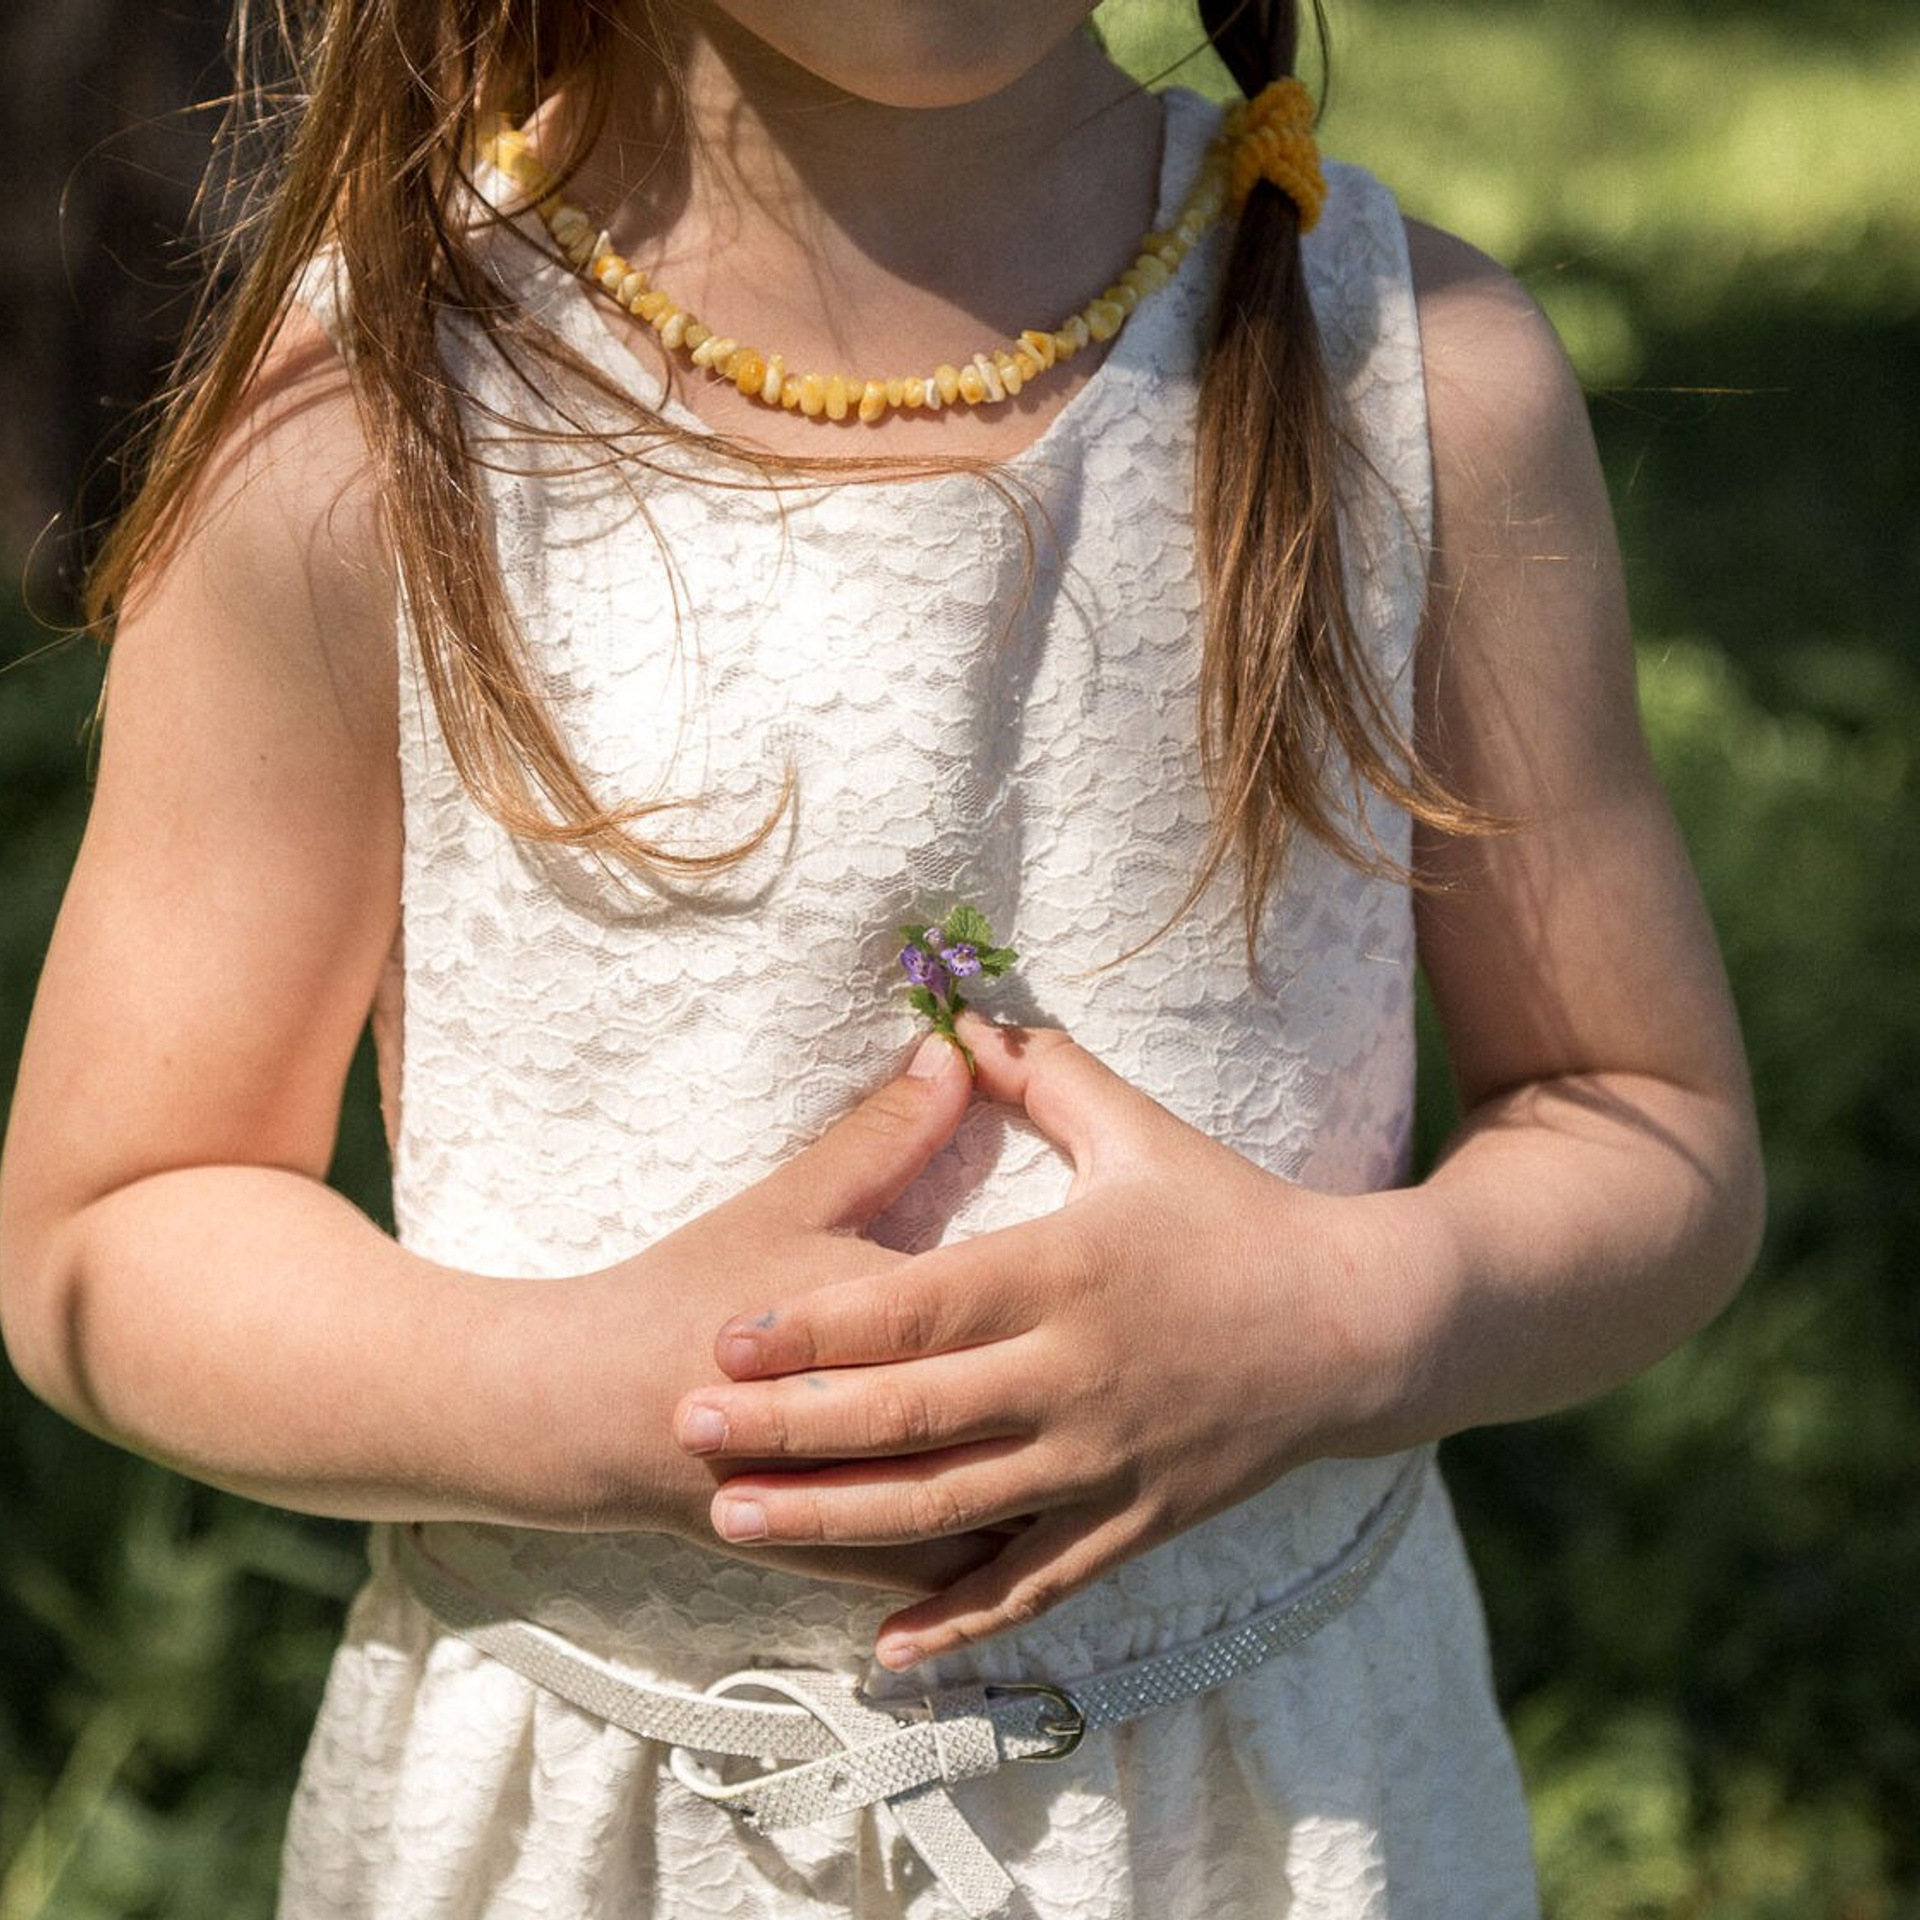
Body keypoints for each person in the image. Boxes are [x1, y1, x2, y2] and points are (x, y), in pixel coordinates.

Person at [0, 0, 1764, 1914]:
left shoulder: (1415, 376)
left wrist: (1340, 1322)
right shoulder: (363, 422)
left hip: (1271, 1828)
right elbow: (115, 1223)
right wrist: (587, 1399)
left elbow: (1647, 1123)